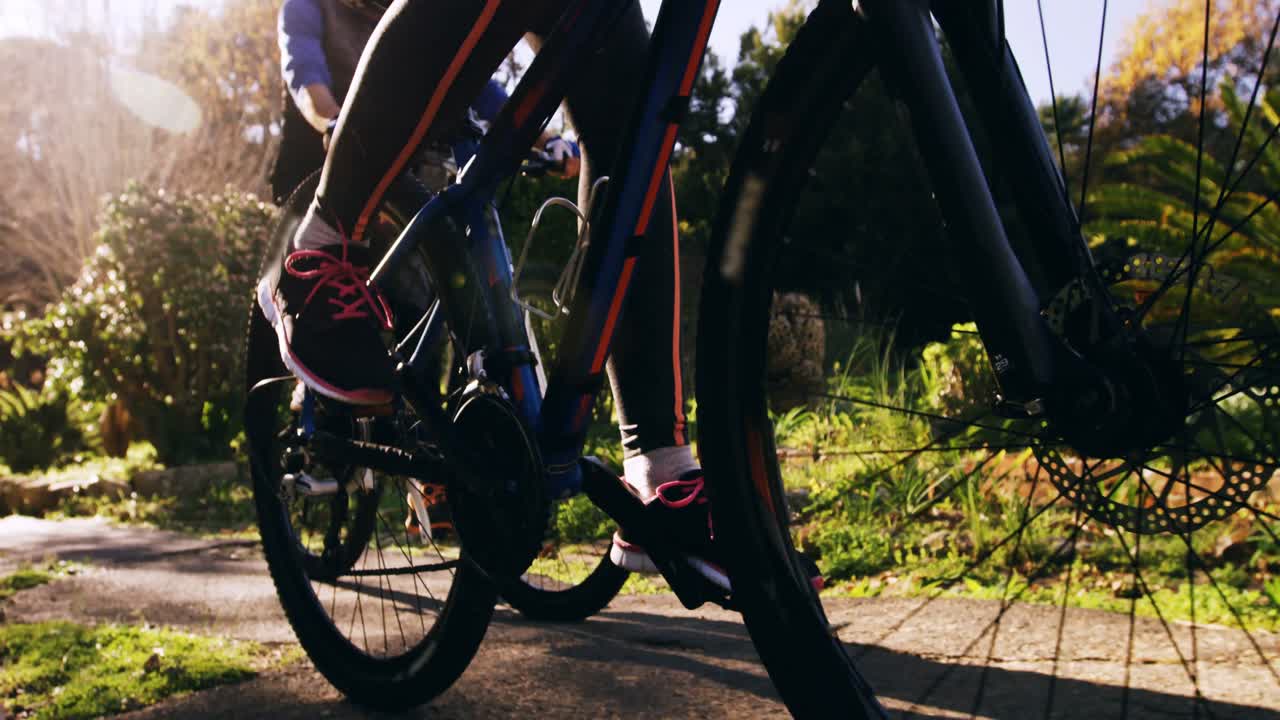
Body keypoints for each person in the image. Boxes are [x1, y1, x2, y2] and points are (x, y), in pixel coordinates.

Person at [257, 0, 708, 575]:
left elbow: (487, 95)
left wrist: (547, 139)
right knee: (384, 296)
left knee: (628, 93)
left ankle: (660, 470)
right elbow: (304, 69)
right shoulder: (308, 6)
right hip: (332, 146)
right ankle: (317, 252)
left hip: (422, 133)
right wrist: (328, 118)